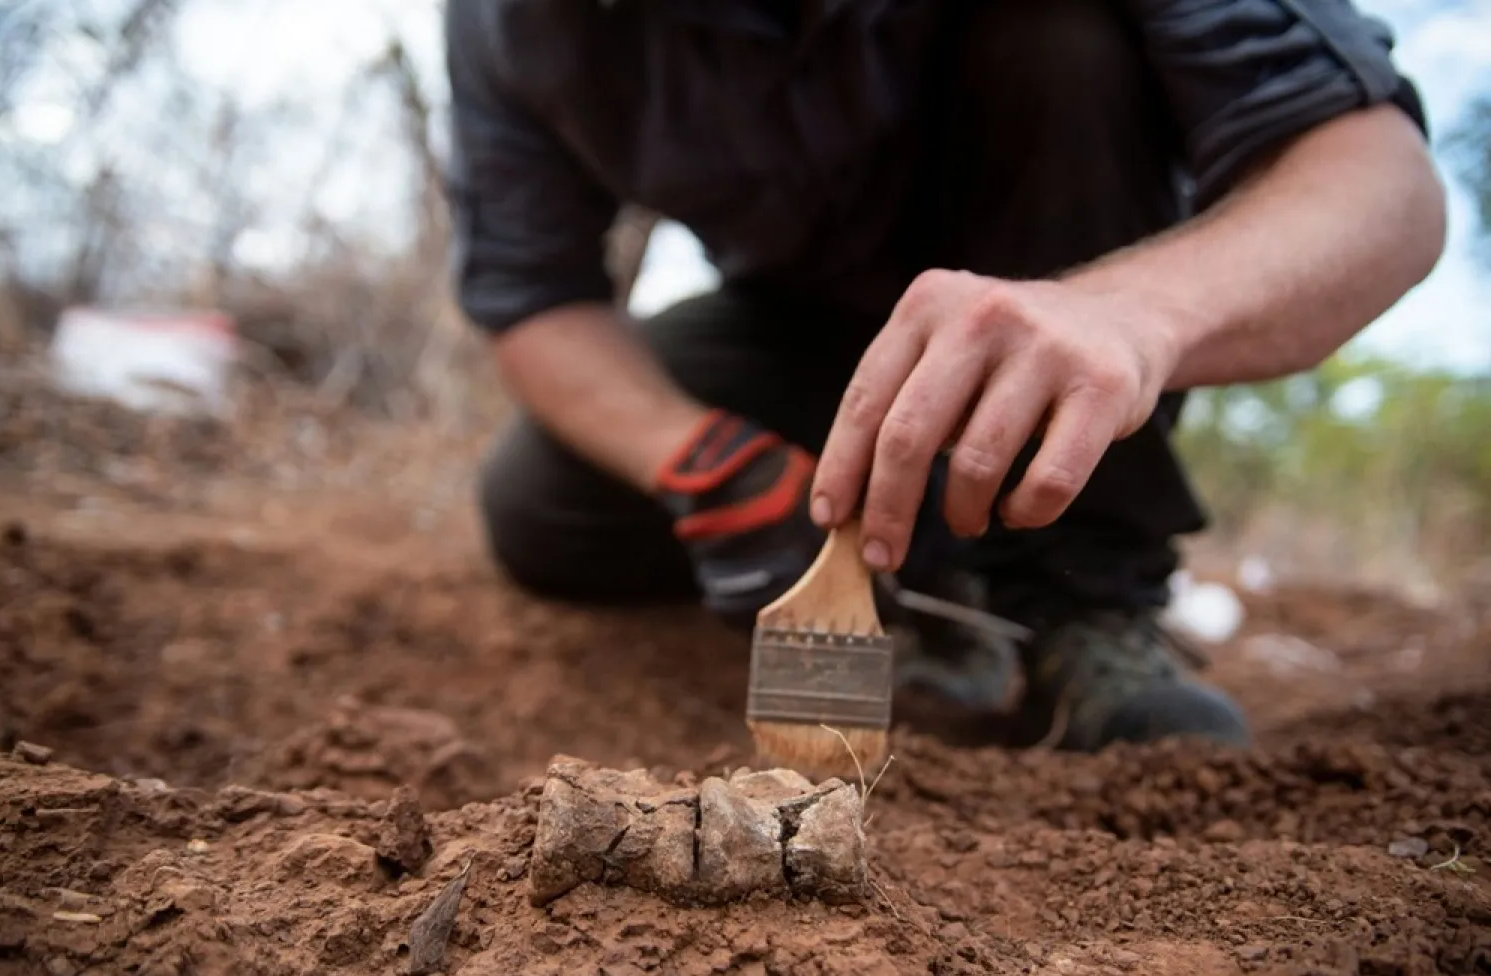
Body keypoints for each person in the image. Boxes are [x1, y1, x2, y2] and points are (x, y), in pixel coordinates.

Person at [443, 0, 1446, 752]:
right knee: (545, 504)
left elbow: (1384, 189)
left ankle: (1079, 597)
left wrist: (1132, 315)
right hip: (804, 325)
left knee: (1054, 31)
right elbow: (533, 296)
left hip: (1074, 268)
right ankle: (919, 592)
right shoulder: (512, 23)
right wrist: (703, 462)